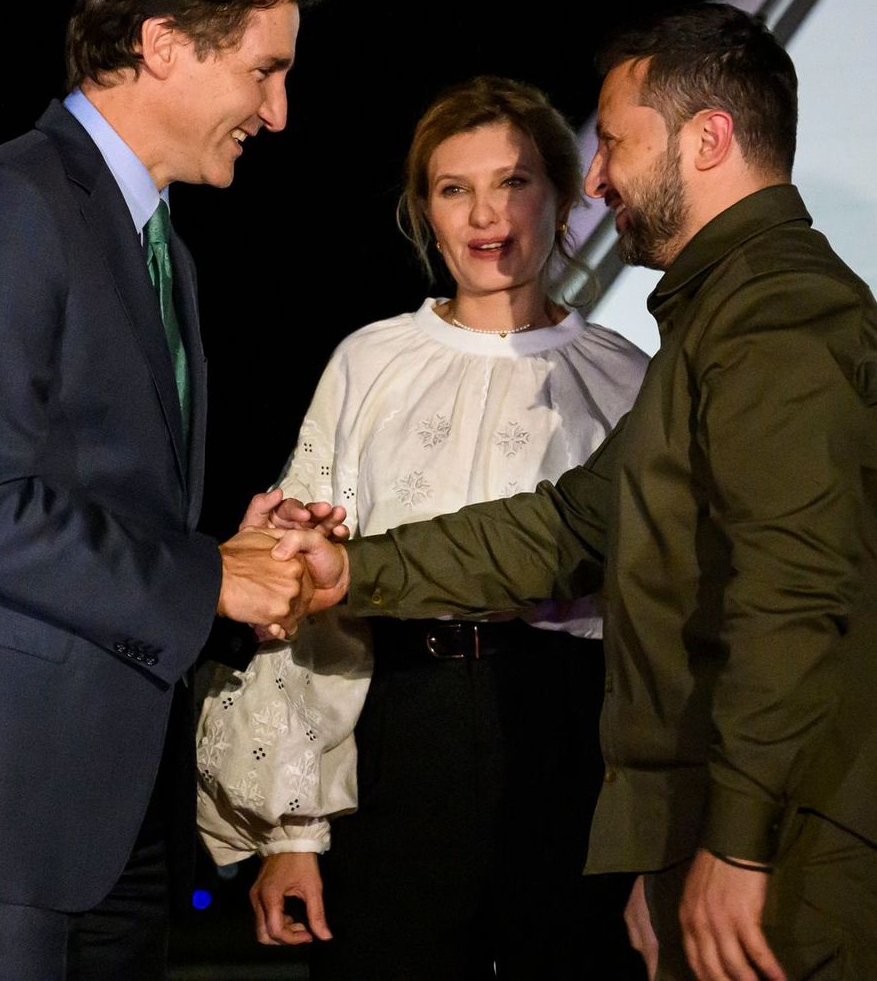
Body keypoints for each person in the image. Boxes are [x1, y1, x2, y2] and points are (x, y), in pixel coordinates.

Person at [287, 5, 877, 981]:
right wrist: (350, 565)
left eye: (615, 145)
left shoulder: (778, 323)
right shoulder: (723, 323)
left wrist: (737, 842)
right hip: (753, 837)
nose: (595, 178)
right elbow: (575, 524)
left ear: (709, 138)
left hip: (790, 853)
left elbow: (793, 600)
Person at [0, 0, 329, 980]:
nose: (280, 110)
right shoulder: (6, 206)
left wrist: (229, 551)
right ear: (162, 45)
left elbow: (98, 503)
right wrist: (206, 574)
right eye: (266, 69)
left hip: (101, 814)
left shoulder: (161, 246)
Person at [196, 76, 651, 980]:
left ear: (561, 198)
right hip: (402, 728)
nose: (487, 214)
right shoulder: (371, 364)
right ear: (425, 213)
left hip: (571, 741)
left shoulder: (626, 378)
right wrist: (294, 831)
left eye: (514, 181)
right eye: (454, 188)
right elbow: (305, 592)